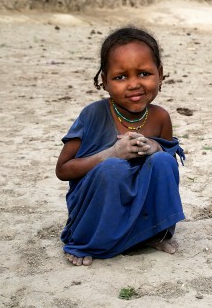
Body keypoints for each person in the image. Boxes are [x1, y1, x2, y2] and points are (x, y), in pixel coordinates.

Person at [56, 26, 185, 266]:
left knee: (163, 160)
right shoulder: (92, 114)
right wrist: (111, 154)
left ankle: (152, 233)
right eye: (120, 77)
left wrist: (155, 147)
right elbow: (63, 170)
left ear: (161, 73)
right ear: (104, 81)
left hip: (142, 206)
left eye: (144, 74)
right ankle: (88, 240)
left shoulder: (160, 117)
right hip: (98, 208)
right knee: (113, 168)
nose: (134, 84)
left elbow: (167, 175)